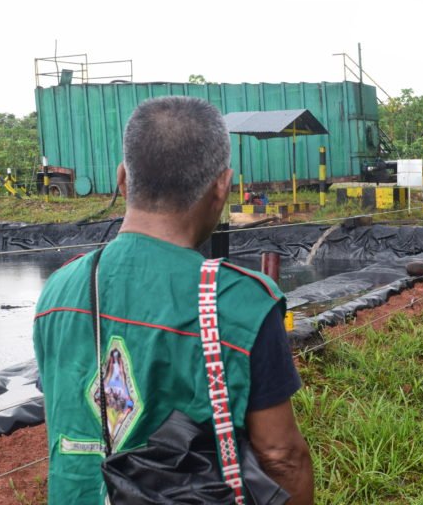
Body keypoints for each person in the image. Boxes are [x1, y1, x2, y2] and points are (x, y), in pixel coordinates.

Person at [33, 96, 314, 504]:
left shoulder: (57, 289)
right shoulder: (239, 301)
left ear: (122, 179)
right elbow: (281, 456)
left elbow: (62, 414)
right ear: (222, 185)